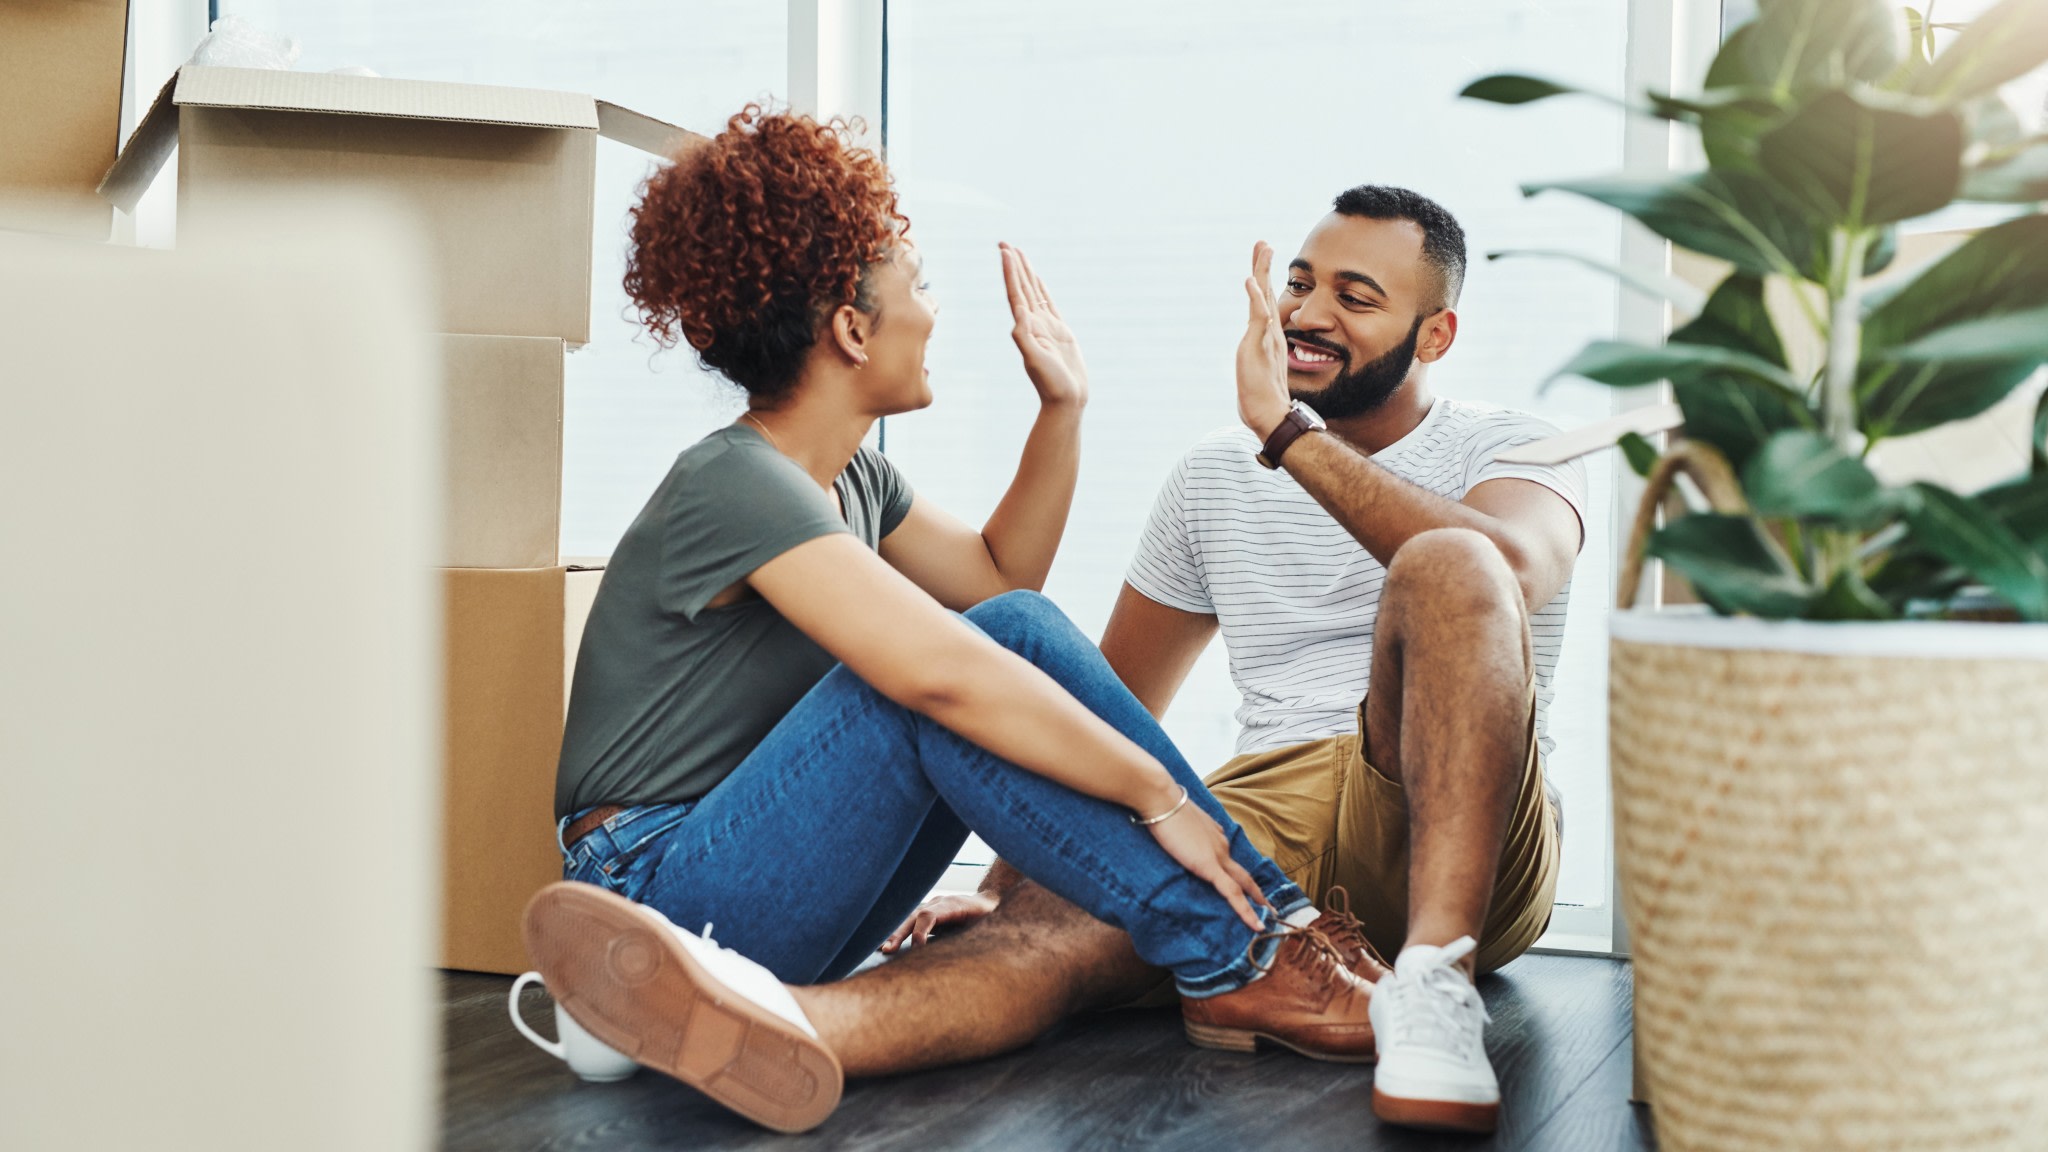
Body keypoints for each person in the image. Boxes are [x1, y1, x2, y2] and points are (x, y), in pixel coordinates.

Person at [575, 184, 1588, 1137]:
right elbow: (955, 673)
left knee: (1009, 635)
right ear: (850, 329)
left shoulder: (856, 483)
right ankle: (725, 1000)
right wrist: (1148, 806)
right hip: (658, 873)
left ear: (1433, 331)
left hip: (1423, 804)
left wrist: (1063, 408)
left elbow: (996, 580)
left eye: (1354, 296)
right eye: (918, 290)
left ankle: (717, 1007)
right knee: (1023, 870)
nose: (933, 314)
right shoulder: (734, 479)